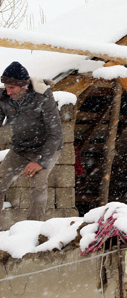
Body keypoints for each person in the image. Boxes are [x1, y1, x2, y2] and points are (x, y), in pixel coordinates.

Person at [0, 61, 63, 221]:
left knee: (38, 183)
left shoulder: (43, 96)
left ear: (23, 86)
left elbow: (55, 133)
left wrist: (41, 161)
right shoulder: (4, 98)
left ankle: (32, 229)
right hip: (20, 148)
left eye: (12, 88)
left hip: (46, 148)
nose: (8, 92)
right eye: (6, 87)